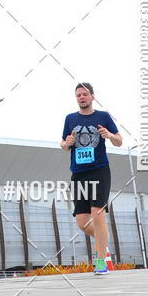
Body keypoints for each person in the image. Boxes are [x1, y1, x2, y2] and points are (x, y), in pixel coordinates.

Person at [61, 82, 122, 275]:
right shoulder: (70, 118)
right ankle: (103, 243)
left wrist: (109, 134)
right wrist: (66, 142)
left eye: (85, 94)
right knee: (82, 222)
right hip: (78, 173)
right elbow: (63, 144)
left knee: (97, 213)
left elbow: (119, 141)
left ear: (92, 96)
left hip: (99, 170)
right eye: (78, 95)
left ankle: (101, 261)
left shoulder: (103, 116)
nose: (81, 97)